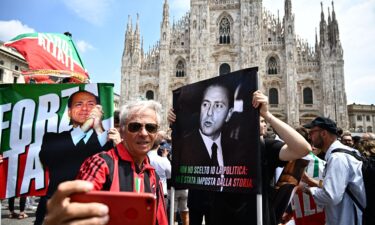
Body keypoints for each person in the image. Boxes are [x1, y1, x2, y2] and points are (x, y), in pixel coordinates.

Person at [169, 90, 311, 225]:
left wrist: (268, 115)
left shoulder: (263, 147)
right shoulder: (218, 145)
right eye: (259, 120)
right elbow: (192, 144)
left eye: (262, 121)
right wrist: (178, 123)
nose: (262, 124)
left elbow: (303, 149)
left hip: (257, 218)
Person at [43, 100, 168, 225]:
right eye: (135, 127)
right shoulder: (101, 164)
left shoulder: (152, 174)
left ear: (156, 133)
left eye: (151, 128)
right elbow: (78, 215)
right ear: (122, 131)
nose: (144, 133)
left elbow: (161, 219)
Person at [35, 90, 112, 225]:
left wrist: (98, 127)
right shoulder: (52, 138)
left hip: (95, 213)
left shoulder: (108, 141)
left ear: (100, 111)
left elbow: (112, 165)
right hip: (56, 209)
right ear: (69, 112)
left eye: (91, 105)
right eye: (79, 104)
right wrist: (84, 128)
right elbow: (47, 158)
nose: (85, 108)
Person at [303, 116, 366, 225]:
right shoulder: (348, 151)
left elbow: (331, 196)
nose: (309, 136)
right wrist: (309, 180)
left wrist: (306, 189)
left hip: (346, 218)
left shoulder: (337, 158)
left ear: (323, 133)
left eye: (312, 132)